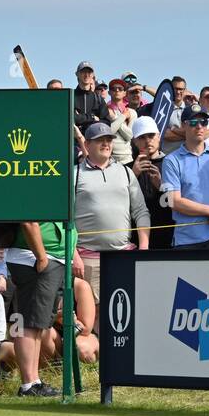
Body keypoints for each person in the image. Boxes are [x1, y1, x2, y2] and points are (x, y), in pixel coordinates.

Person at [5, 220, 80, 396]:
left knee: (37, 325)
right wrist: (42, 258)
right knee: (29, 324)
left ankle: (34, 382)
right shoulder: (36, 191)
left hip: (51, 258)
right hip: (35, 258)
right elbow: (28, 221)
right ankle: (28, 384)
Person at [75, 122, 149, 298]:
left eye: (109, 139)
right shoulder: (74, 174)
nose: (106, 144)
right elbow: (65, 221)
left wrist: (144, 247)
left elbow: (141, 211)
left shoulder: (125, 172)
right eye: (100, 140)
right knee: (93, 316)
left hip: (124, 257)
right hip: (87, 258)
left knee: (128, 310)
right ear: (86, 145)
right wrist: (73, 256)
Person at [160, 104, 209, 248]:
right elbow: (173, 201)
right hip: (186, 239)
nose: (200, 127)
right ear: (184, 125)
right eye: (194, 122)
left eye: (203, 122)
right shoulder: (171, 160)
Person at [130, 116, 174, 249]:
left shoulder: (172, 163)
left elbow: (175, 204)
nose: (148, 141)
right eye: (142, 137)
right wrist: (133, 175)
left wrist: (162, 186)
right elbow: (119, 204)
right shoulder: (126, 168)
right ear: (134, 141)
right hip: (136, 238)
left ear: (159, 136)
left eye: (151, 135)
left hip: (167, 236)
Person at [39, 276, 100, 366]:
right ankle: (51, 369)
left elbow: (86, 329)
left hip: (79, 334)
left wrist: (67, 320)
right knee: (43, 332)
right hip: (52, 333)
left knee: (81, 349)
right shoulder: (38, 285)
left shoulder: (80, 286)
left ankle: (72, 368)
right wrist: (56, 317)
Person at [104, 78, 137, 164]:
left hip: (128, 158)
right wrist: (123, 117)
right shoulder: (105, 111)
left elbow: (129, 136)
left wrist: (114, 118)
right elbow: (109, 132)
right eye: (114, 89)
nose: (117, 90)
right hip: (110, 159)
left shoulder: (131, 112)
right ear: (109, 92)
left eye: (120, 88)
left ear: (125, 93)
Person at [73, 62, 110, 132]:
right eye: (83, 72)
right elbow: (71, 118)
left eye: (89, 72)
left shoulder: (99, 99)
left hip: (93, 140)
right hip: (73, 140)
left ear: (93, 75)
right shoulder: (71, 96)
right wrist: (92, 117)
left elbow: (107, 123)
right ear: (77, 74)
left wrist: (82, 119)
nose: (86, 75)